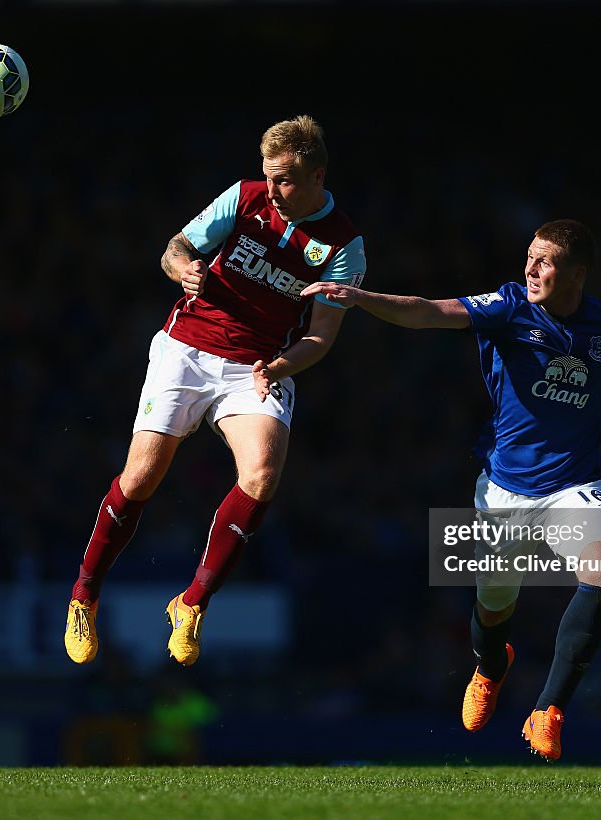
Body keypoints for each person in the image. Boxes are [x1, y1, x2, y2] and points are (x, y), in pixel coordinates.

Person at [301, 219, 601, 761]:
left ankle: (547, 711)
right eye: (529, 256)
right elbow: (427, 310)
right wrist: (362, 297)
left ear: (576, 275)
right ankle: (490, 667)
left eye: (545, 261)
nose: (530, 269)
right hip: (505, 492)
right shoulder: (508, 307)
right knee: (493, 608)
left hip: (576, 485)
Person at [65, 115, 366, 667]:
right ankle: (84, 594)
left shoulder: (344, 245)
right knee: (142, 475)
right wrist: (184, 269)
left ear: (318, 174)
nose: (273, 190)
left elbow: (322, 336)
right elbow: (174, 248)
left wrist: (281, 365)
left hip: (256, 365)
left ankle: (192, 603)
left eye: (286, 179)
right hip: (186, 346)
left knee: (263, 475)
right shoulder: (245, 198)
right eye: (269, 177)